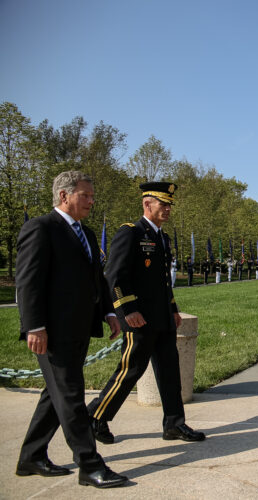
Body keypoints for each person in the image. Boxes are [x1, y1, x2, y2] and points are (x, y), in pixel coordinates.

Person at [15, 171, 127, 488]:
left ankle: (31, 457)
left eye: (92, 195)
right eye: (85, 195)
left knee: (56, 394)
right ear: (64, 196)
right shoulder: (40, 228)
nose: (92, 201)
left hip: (79, 329)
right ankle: (89, 465)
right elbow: (28, 283)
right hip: (51, 332)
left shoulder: (87, 234)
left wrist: (109, 311)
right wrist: (34, 326)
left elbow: (97, 278)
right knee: (71, 396)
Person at [87, 182, 205, 445]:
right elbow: (115, 276)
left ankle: (174, 424)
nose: (167, 209)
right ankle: (96, 416)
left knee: (170, 372)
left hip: (162, 318)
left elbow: (163, 282)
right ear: (146, 204)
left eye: (169, 204)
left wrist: (173, 310)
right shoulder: (130, 233)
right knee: (130, 371)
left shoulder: (162, 237)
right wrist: (127, 311)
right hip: (137, 318)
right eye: (163, 203)